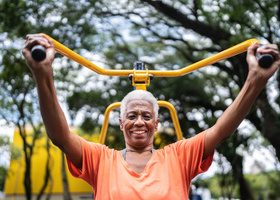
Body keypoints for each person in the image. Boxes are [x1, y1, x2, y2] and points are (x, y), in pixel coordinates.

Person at [22, 34, 280, 199]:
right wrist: (43, 74)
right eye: (131, 115)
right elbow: (60, 137)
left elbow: (221, 130)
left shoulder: (178, 157)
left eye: (146, 116)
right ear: (121, 122)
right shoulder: (101, 160)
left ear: (157, 124)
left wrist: (255, 80)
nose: (139, 121)